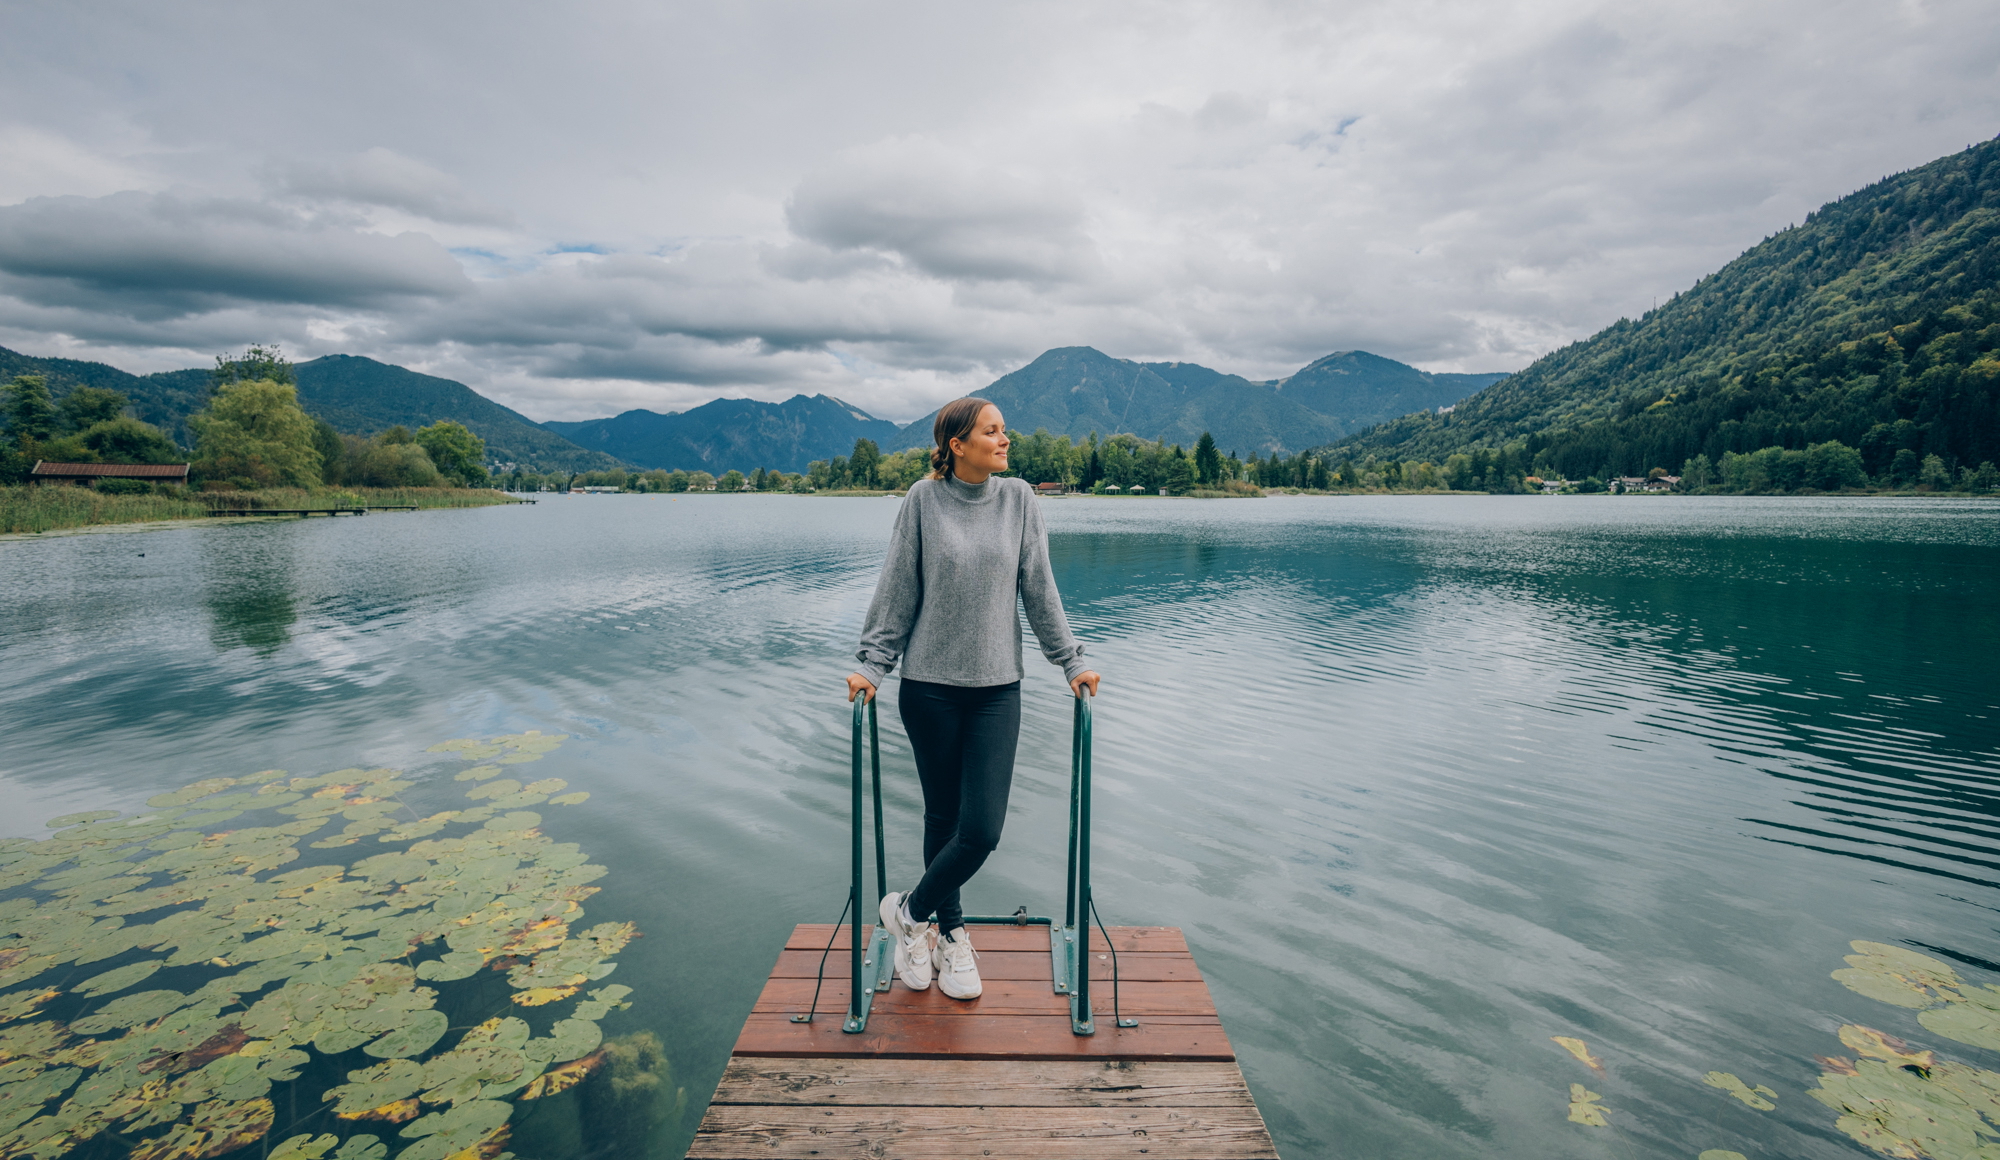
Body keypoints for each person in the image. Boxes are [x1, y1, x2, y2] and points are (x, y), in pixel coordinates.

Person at [846, 397, 1101, 1000]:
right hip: (929, 688)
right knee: (941, 817)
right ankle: (950, 935)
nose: (1005, 440)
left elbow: (1039, 588)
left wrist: (1072, 661)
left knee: (981, 828)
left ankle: (908, 913)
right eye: (993, 432)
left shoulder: (1019, 500)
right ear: (958, 445)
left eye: (1004, 431)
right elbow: (898, 589)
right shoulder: (921, 501)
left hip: (996, 691)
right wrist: (872, 666)